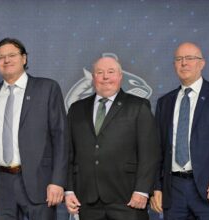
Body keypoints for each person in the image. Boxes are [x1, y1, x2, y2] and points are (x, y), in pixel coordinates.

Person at [0, 38, 68, 220]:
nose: (6, 60)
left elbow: (61, 138)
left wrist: (58, 181)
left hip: (40, 183)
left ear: (24, 59)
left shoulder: (47, 88)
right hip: (0, 185)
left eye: (12, 55)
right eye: (1, 57)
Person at [65, 56, 160, 220]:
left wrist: (142, 190)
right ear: (93, 78)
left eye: (111, 72)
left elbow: (149, 153)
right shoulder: (76, 109)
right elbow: (68, 152)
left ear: (120, 76)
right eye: (100, 72)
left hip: (128, 199)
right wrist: (69, 189)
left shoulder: (138, 106)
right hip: (87, 201)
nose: (105, 77)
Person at [150, 42, 209, 219]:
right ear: (174, 65)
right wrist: (157, 187)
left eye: (190, 58)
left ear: (202, 63)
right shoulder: (165, 102)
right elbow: (157, 149)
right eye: (179, 59)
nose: (184, 63)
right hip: (173, 191)